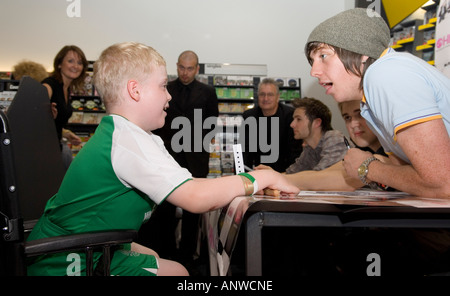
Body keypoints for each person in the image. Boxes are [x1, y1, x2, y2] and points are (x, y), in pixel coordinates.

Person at [26, 42, 299, 276]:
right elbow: (195, 196)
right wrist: (263, 177)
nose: (169, 95)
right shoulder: (129, 141)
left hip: (89, 248)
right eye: (161, 86)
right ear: (135, 91)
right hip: (68, 261)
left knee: (165, 262)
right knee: (179, 272)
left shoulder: (126, 134)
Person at [305, 8, 450, 198]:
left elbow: (442, 184)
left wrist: (367, 167)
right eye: (312, 60)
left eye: (323, 56)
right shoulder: (370, 103)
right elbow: (406, 171)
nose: (313, 71)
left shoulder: (385, 73)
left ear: (362, 52)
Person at [139, 50, 219, 273]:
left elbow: (212, 123)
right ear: (177, 66)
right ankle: (165, 252)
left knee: (194, 211)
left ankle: (188, 256)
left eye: (190, 68)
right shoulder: (166, 88)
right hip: (167, 156)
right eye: (182, 68)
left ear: (197, 69)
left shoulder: (208, 91)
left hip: (195, 158)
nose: (185, 72)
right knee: (163, 207)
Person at [283, 100, 387, 191]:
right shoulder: (358, 152)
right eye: (347, 117)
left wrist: (277, 179)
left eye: (360, 114)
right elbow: (322, 175)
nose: (353, 124)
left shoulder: (334, 137)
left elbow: (330, 180)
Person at [242, 78, 303, 172]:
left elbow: (294, 151)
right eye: (262, 94)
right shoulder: (249, 116)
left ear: (278, 97)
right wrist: (244, 178)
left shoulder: (290, 115)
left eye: (270, 94)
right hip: (258, 172)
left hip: (285, 172)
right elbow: (245, 151)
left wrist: (288, 176)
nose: (266, 98)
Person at [276, 97, 347, 174]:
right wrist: (272, 175)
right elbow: (291, 173)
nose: (292, 124)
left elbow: (320, 177)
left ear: (317, 123)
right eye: (294, 119)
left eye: (298, 119)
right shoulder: (310, 148)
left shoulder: (334, 138)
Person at [42, 45, 85, 169]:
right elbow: (34, 105)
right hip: (44, 150)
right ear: (59, 64)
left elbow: (55, 122)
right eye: (70, 61)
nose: (75, 66)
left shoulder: (66, 88)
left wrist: (66, 134)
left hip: (55, 145)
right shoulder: (50, 84)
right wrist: (43, 110)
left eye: (79, 63)